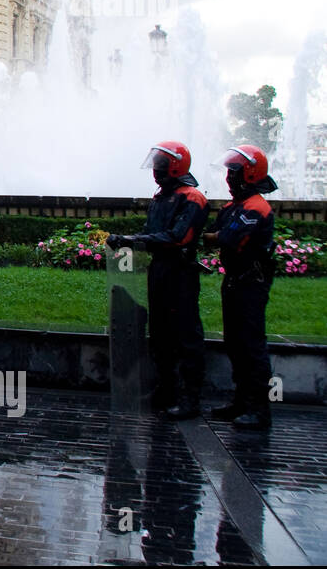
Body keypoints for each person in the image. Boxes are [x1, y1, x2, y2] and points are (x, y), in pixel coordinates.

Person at [107, 141, 209, 420]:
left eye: (160, 165)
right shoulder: (160, 197)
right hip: (160, 270)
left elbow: (178, 237)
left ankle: (190, 398)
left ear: (175, 166)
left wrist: (132, 241)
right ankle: (166, 390)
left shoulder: (192, 198)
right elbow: (151, 232)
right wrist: (132, 240)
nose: (155, 170)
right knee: (161, 333)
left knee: (187, 334)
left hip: (180, 272)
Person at [204, 145, 278, 430]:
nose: (228, 178)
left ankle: (259, 410)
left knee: (251, 345)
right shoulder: (234, 206)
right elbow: (216, 230)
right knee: (234, 343)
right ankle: (241, 401)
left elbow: (229, 238)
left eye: (233, 173)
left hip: (251, 283)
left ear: (249, 174)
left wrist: (211, 236)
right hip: (235, 281)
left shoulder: (256, 207)